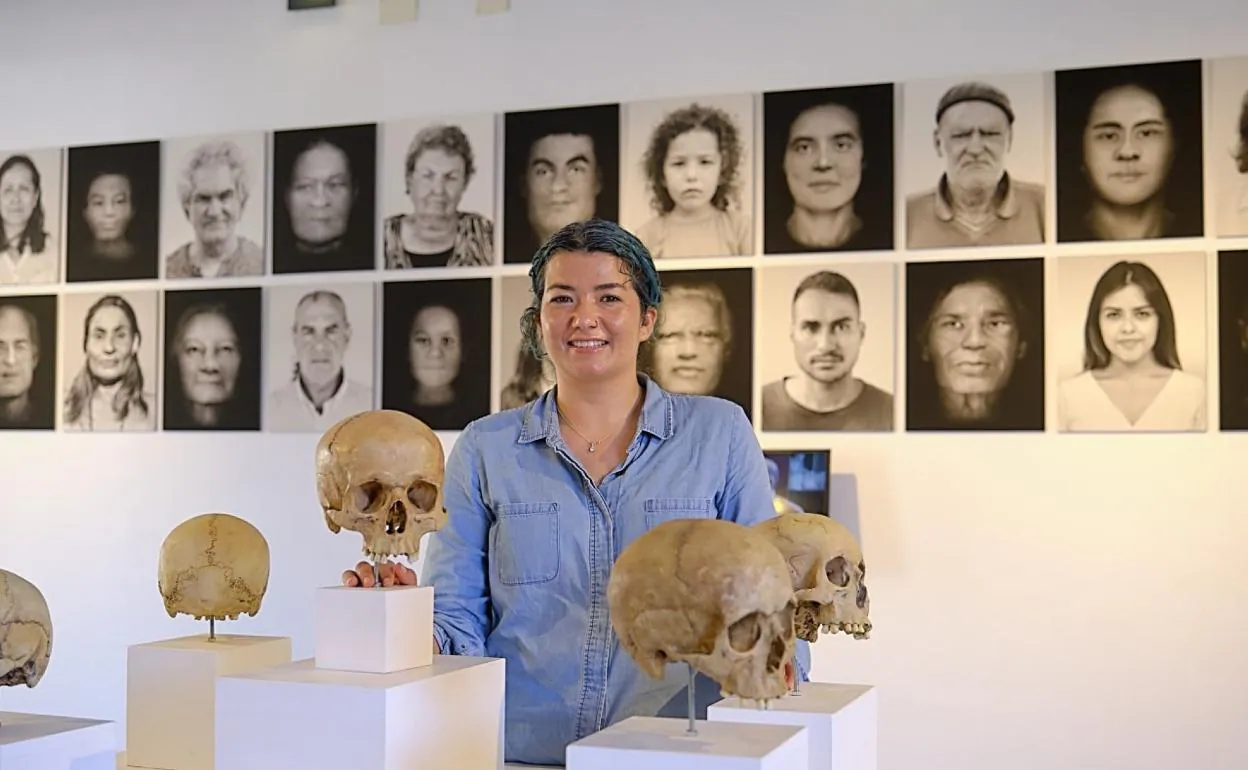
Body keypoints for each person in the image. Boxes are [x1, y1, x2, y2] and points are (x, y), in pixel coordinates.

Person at [343, 217, 811, 766]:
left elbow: (773, 603)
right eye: (562, 299)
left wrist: (783, 689)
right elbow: (457, 620)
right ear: (539, 322)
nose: (584, 317)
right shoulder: (485, 447)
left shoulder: (720, 434)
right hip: (522, 754)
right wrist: (401, 620)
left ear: (646, 319)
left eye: (609, 297)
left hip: (676, 756)